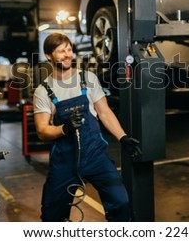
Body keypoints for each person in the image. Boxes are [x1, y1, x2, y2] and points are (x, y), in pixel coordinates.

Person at [33, 32, 141, 222]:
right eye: (61, 51)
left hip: (95, 156)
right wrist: (64, 129)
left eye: (69, 49)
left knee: (121, 203)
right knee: (52, 215)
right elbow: (42, 130)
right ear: (49, 56)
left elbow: (104, 112)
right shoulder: (43, 91)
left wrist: (122, 137)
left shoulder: (88, 78)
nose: (67, 55)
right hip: (64, 162)